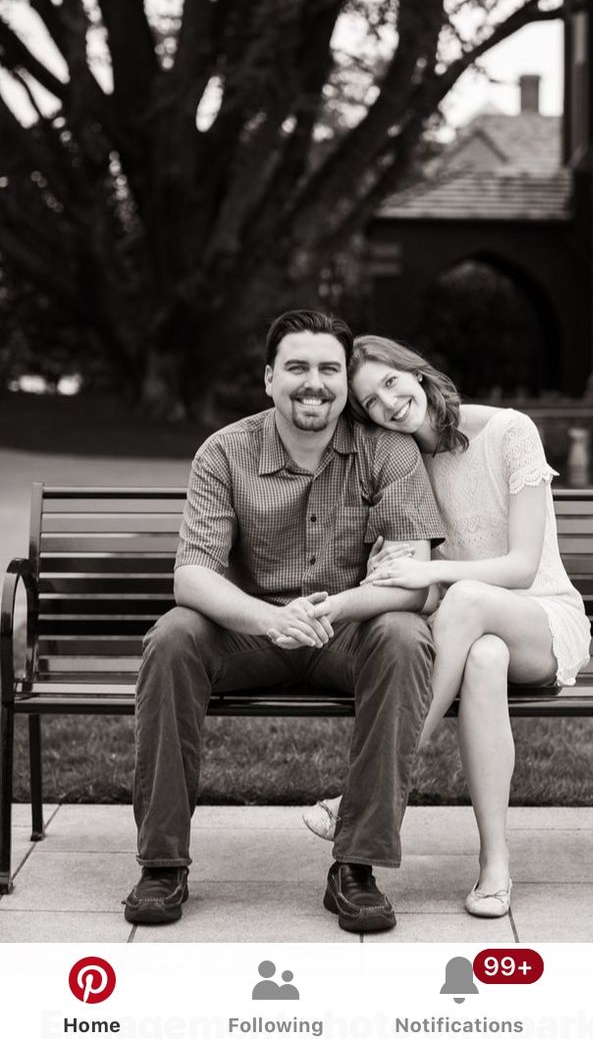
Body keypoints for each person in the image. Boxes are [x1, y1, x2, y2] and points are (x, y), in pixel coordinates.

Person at [124, 311, 444, 934]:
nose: (314, 383)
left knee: (406, 638)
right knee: (172, 636)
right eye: (297, 367)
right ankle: (163, 863)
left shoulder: (389, 451)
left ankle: (356, 866)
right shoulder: (224, 451)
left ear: (346, 385)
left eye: (329, 369)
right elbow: (191, 576)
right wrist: (273, 620)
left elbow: (414, 586)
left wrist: (334, 608)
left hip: (347, 633)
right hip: (252, 636)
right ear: (269, 377)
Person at [302, 334, 591, 918]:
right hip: (477, 631)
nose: (387, 403)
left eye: (390, 382)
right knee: (482, 656)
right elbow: (432, 587)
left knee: (464, 603)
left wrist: (437, 574)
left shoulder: (511, 431)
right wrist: (397, 574)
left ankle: (365, 793)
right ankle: (495, 869)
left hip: (543, 617)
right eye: (370, 402)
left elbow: (521, 566)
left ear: (416, 372)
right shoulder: (408, 463)